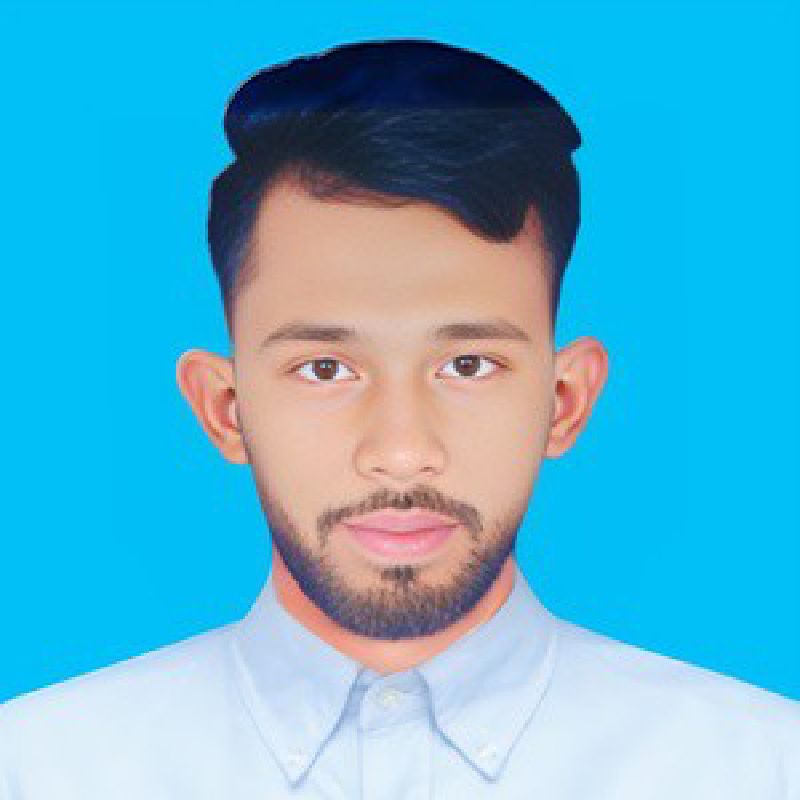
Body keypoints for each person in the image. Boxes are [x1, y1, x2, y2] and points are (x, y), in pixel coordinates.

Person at [1, 37, 797, 800]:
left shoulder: (761, 771)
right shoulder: (37, 772)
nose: (403, 452)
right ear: (225, 409)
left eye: (468, 365)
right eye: (325, 369)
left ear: (566, 401)